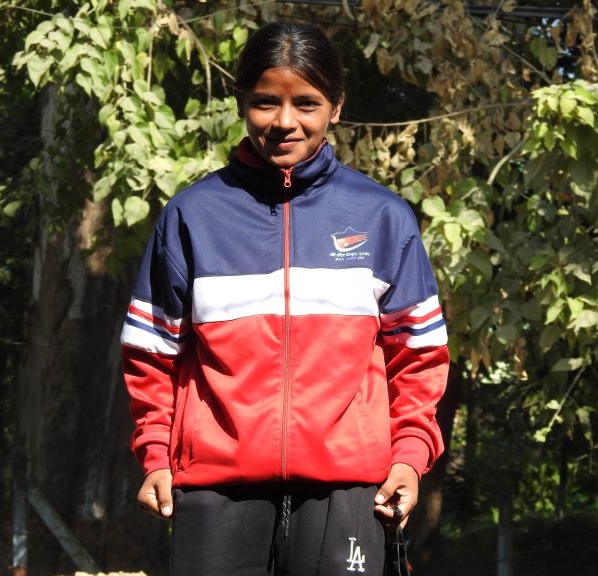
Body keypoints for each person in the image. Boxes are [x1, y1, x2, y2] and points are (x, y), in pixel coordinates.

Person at [120, 21, 449, 575]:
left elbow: (418, 354)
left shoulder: (383, 217)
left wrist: (410, 457)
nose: (284, 121)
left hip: (351, 489)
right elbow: (150, 352)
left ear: (336, 107)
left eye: (307, 103)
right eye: (266, 102)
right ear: (241, 103)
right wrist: (155, 454)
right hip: (216, 489)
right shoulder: (191, 217)